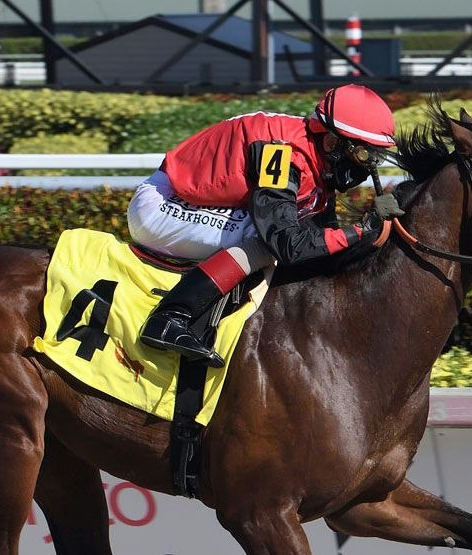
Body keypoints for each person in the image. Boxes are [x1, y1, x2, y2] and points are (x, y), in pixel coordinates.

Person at [127, 83, 405, 368]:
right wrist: (361, 230)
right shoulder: (281, 154)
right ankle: (169, 317)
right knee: (262, 239)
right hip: (161, 204)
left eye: (375, 157)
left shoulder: (317, 156)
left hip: (195, 201)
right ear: (332, 142)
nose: (367, 167)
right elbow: (284, 243)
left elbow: (321, 237)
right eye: (363, 155)